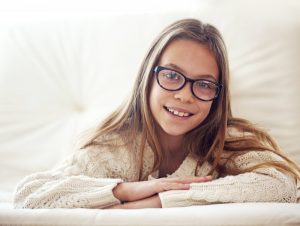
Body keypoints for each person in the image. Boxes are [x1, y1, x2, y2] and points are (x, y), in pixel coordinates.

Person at [14, 18, 300, 209]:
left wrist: (160, 199)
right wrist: (125, 191)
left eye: (203, 84)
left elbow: (283, 185)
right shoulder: (114, 148)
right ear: (148, 80)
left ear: (217, 95)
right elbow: (30, 194)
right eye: (172, 76)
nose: (185, 95)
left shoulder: (231, 140)